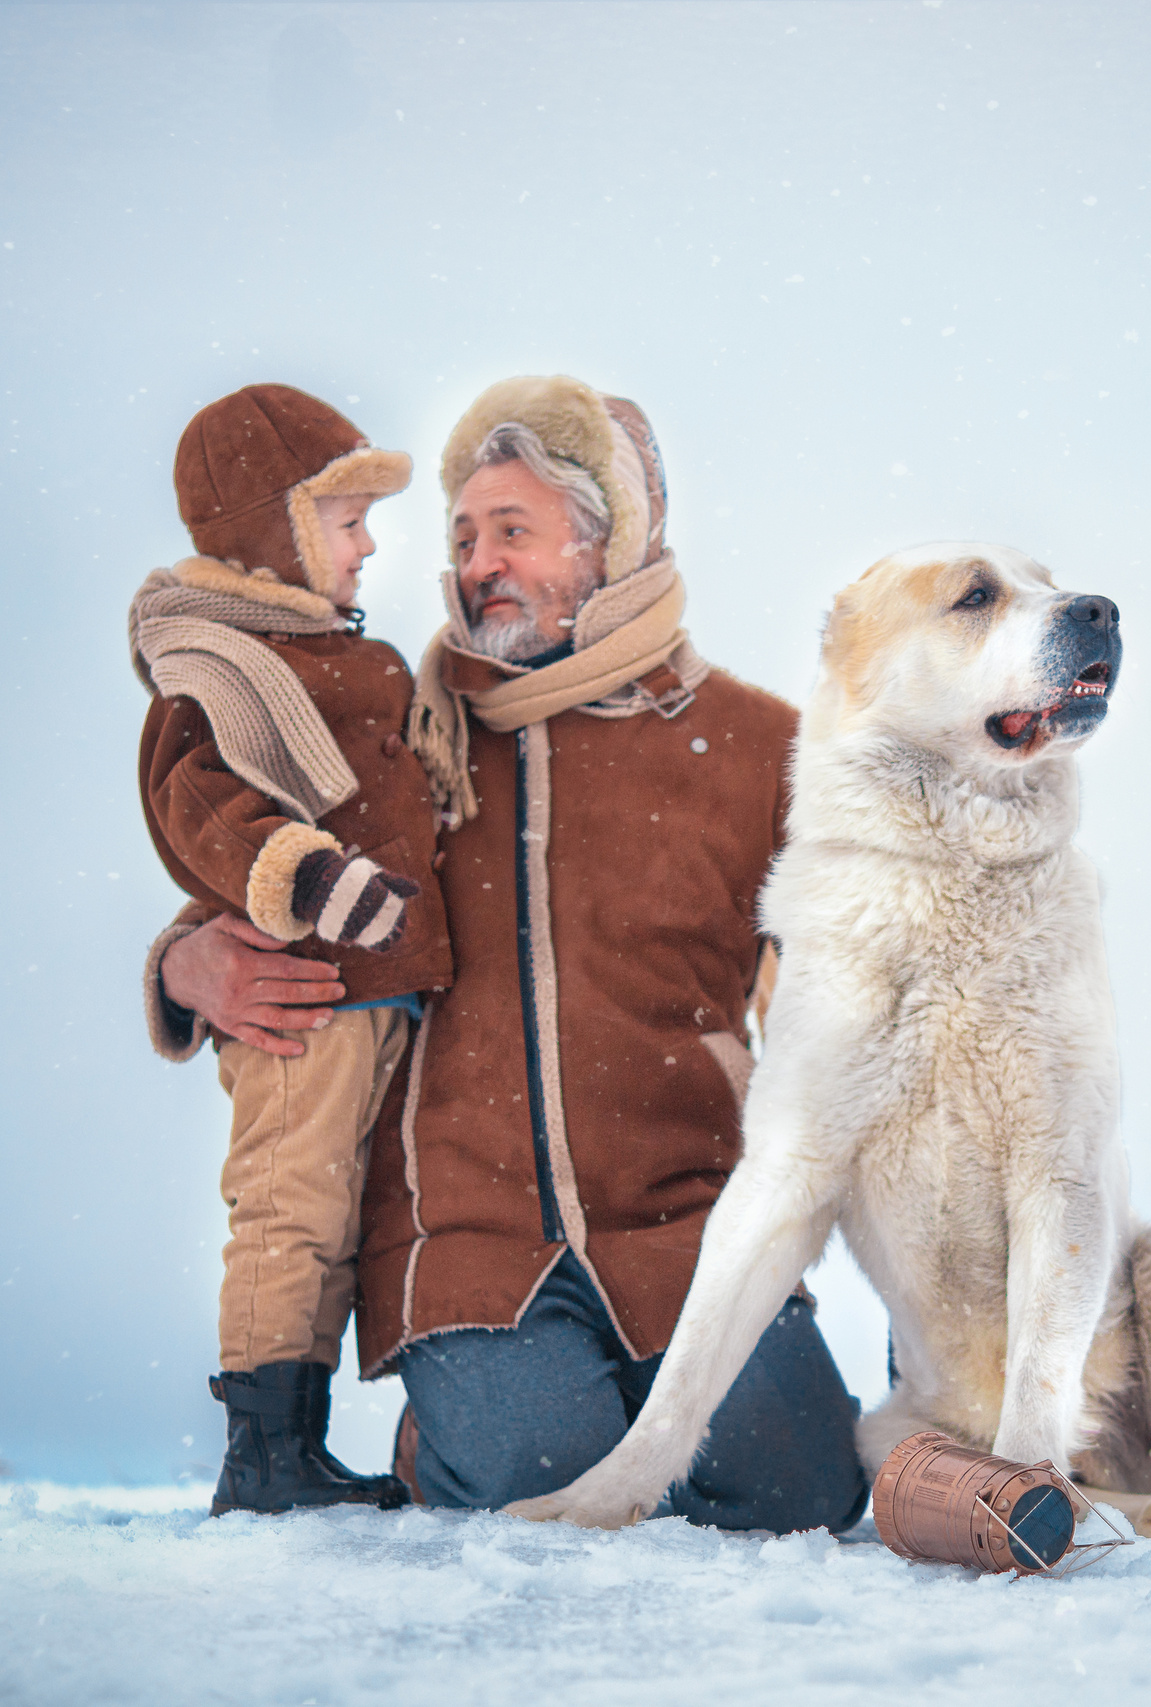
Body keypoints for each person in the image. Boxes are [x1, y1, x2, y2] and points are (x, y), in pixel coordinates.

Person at [154, 376, 868, 1532]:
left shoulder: (756, 747)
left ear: (611, 544)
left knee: (796, 1494)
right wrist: (184, 967)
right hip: (468, 1249)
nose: (477, 560)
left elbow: (875, 953)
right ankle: (453, 1426)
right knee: (540, 1480)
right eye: (463, 534)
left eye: (514, 531)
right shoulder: (397, 734)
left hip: (693, 1229)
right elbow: (261, 864)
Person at [132, 384, 452, 1515]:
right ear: (276, 527)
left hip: (382, 996)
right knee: (287, 1204)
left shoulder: (344, 657)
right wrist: (315, 881)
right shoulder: (221, 669)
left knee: (337, 1212)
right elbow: (200, 811)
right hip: (305, 994)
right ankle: (261, 1454)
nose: (371, 546)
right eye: (346, 519)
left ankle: (300, 1443)